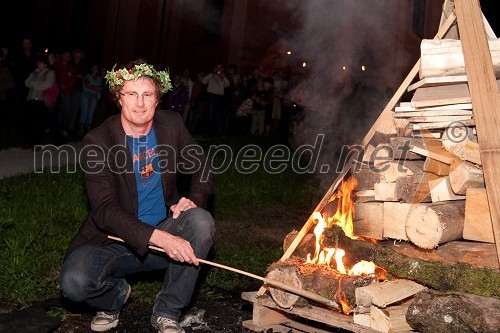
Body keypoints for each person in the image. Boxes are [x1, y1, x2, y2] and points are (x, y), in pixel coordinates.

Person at [59, 59, 215, 333]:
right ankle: (114, 297)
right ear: (119, 97)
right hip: (113, 241)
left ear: (158, 98)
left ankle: (168, 311)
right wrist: (160, 238)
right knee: (74, 282)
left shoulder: (172, 125)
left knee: (200, 221)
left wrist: (195, 198)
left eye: (147, 94)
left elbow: (201, 164)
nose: (140, 103)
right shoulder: (98, 142)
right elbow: (105, 209)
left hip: (163, 230)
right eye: (131, 94)